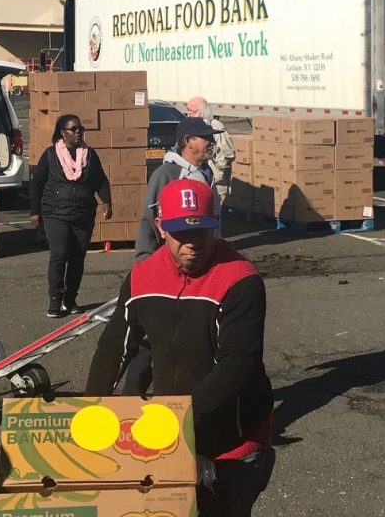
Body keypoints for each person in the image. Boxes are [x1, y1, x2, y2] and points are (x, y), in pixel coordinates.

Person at [87, 178, 274, 517]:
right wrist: (90, 409)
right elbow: (115, 346)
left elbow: (237, 365)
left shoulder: (240, 279)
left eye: (201, 231)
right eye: (181, 233)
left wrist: (176, 422)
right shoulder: (142, 276)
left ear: (214, 226)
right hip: (171, 434)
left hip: (232, 441)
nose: (192, 243)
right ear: (161, 228)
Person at [30, 113, 111, 318]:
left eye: (80, 129)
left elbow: (100, 180)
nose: (78, 132)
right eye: (73, 129)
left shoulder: (89, 155)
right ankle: (55, 301)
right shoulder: (51, 155)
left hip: (83, 213)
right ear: (62, 133)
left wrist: (106, 201)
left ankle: (70, 299)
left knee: (77, 258)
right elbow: (37, 183)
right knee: (59, 254)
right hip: (56, 212)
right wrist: (35, 211)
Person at [134, 116, 221, 262]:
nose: (212, 142)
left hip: (205, 257)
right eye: (206, 138)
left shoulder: (207, 173)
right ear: (188, 141)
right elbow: (149, 220)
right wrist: (143, 260)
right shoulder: (166, 174)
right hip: (176, 261)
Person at [186, 96, 236, 200]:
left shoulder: (215, 126)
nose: (189, 114)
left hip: (216, 186)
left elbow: (227, 152)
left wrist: (218, 171)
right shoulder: (191, 128)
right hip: (198, 182)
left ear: (202, 112)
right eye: (188, 110)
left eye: (192, 111)